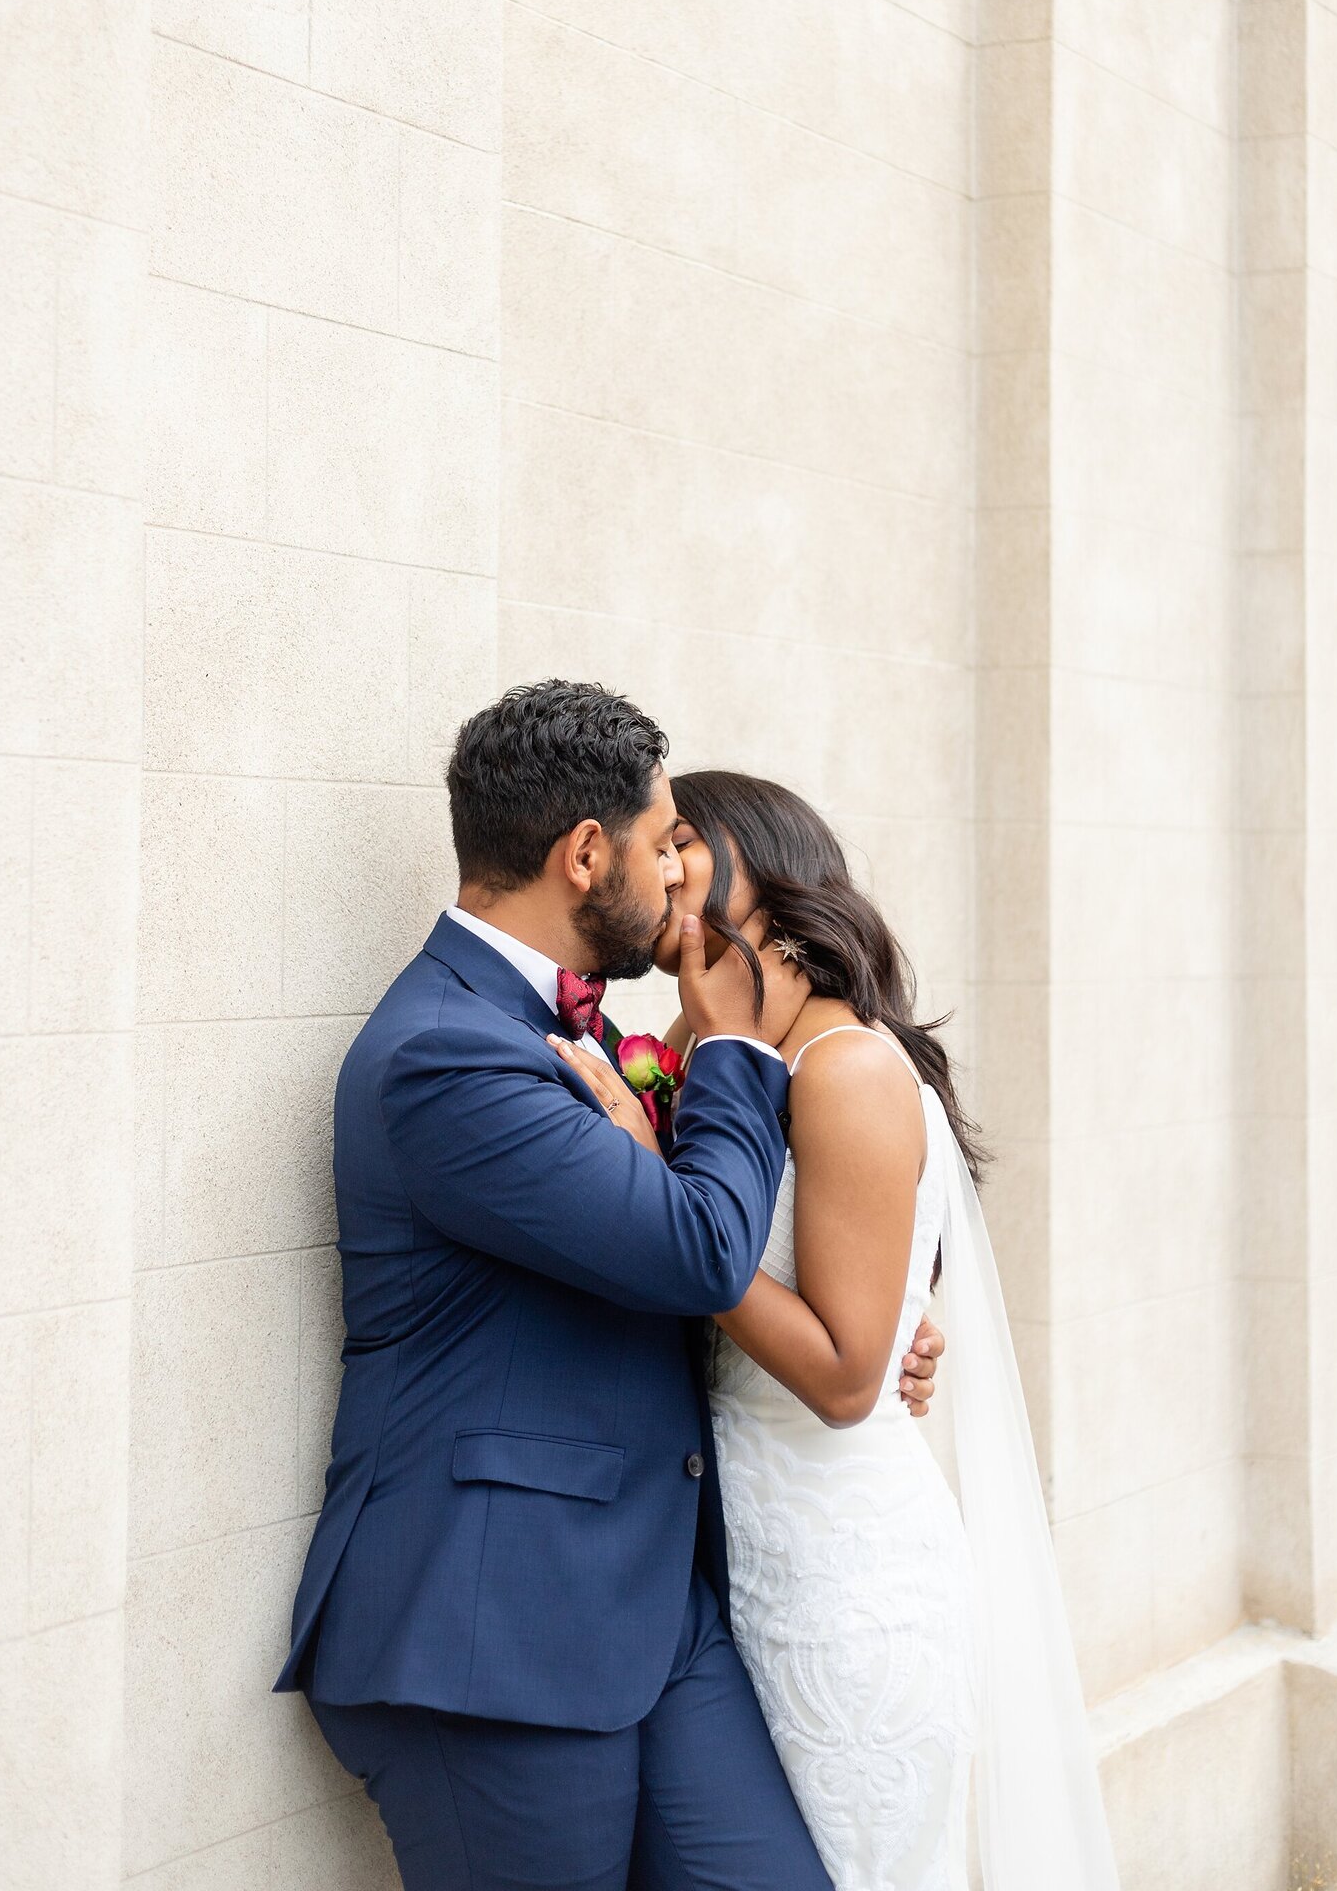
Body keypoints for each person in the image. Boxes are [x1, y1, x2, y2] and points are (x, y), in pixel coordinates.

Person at [274, 682, 943, 1889]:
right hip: (492, 1629)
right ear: (586, 854)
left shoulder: (567, 1035)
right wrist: (733, 1043)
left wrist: (884, 1312)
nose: (674, 882)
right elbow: (692, 1249)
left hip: (653, 1605)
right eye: (658, 842)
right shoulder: (447, 1053)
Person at [555, 770, 1124, 1891]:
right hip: (730, 1556)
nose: (661, 868)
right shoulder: (698, 1036)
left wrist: (657, 1196)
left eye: (682, 844)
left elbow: (848, 1377)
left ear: (759, 869)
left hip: (838, 1586)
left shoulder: (847, 1066)